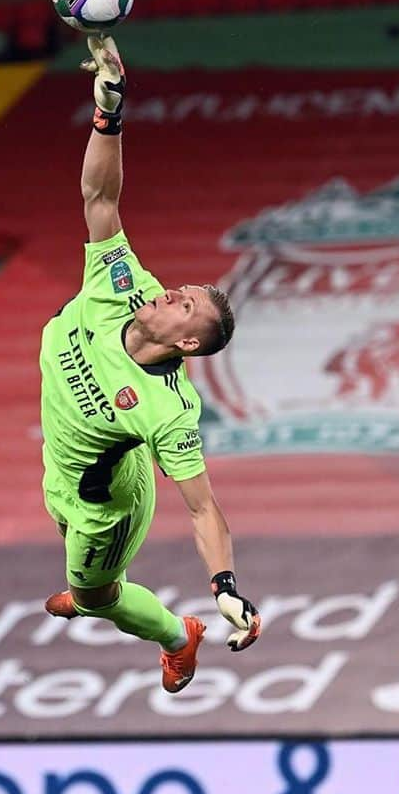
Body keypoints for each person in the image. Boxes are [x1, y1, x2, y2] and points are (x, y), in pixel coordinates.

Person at [40, 35, 262, 692]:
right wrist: (110, 110)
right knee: (63, 524)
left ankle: (175, 635)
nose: (172, 291)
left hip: (107, 496)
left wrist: (226, 587)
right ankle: (87, 581)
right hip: (66, 448)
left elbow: (202, 508)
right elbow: (99, 198)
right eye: (183, 287)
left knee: (100, 594)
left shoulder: (170, 408)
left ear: (188, 343)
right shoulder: (125, 280)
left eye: (186, 304)